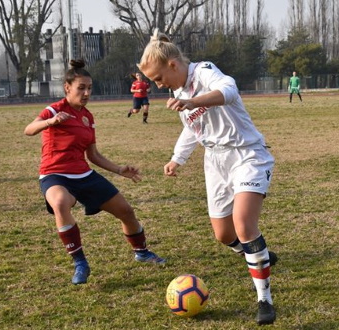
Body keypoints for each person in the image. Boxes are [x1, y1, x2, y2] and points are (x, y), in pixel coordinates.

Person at [138, 30, 278, 325]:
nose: (158, 85)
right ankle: (258, 254)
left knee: (243, 224)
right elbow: (193, 129)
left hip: (247, 154)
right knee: (224, 235)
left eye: (158, 78)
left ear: (173, 65)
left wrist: (194, 101)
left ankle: (264, 299)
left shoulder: (204, 71)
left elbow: (229, 91)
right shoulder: (178, 94)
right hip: (215, 161)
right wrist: (178, 158)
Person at [24, 59, 165, 285]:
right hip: (54, 175)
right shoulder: (55, 109)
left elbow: (93, 156)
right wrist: (50, 121)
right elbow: (29, 130)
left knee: (126, 212)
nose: (87, 92)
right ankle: (80, 262)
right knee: (60, 202)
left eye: (89, 88)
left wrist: (120, 169)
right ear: (68, 88)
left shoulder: (88, 117)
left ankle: (142, 252)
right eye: (81, 88)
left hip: (83, 174)